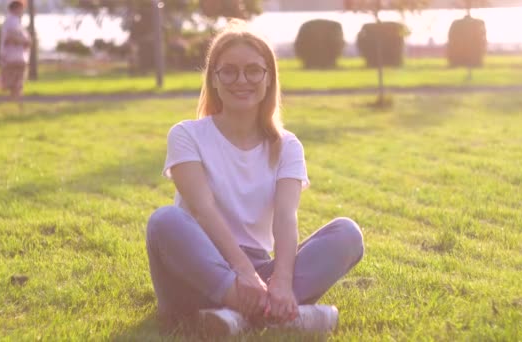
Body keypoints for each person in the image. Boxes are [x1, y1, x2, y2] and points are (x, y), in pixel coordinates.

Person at [146, 20, 365, 336]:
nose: (241, 80)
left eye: (253, 70)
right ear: (215, 79)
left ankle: (237, 318)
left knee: (347, 234)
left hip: (261, 271)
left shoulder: (287, 145)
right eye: (229, 71)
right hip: (196, 269)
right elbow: (204, 210)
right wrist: (243, 273)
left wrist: (282, 281)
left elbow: (286, 218)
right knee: (165, 220)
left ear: (268, 78)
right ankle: (277, 314)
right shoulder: (186, 135)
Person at [0, 0, 31, 106]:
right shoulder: (12, 21)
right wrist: (25, 41)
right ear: (16, 8)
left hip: (15, 56)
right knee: (16, 81)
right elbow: (11, 36)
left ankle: (14, 102)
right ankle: (15, 102)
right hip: (14, 56)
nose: (23, 10)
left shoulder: (14, 20)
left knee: (15, 81)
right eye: (21, 8)